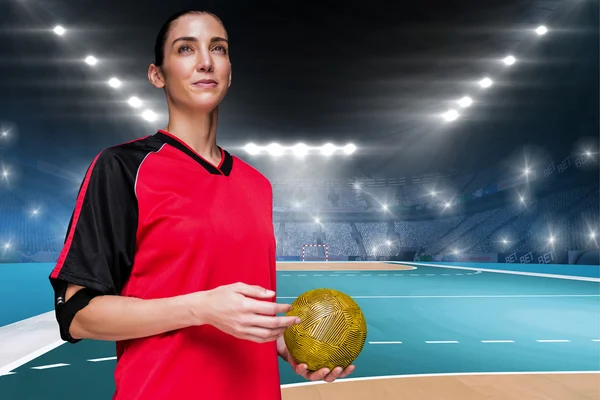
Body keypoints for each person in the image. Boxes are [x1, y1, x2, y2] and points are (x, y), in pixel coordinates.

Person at [48, 8, 355, 400]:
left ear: (229, 72)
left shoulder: (257, 184)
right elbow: (77, 316)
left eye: (218, 49)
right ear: (157, 74)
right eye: (185, 49)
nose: (206, 61)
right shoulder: (124, 168)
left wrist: (282, 344)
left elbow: (237, 309)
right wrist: (200, 309)